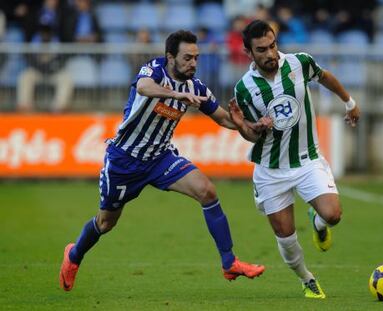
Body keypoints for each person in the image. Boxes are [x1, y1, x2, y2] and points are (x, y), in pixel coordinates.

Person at [59, 30, 267, 291]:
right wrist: (178, 96)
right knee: (106, 223)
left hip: (160, 159)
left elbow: (223, 118)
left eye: (196, 58)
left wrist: (247, 124)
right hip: (125, 160)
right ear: (170, 57)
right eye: (187, 58)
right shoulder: (154, 70)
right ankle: (74, 256)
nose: (193, 63)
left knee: (207, 191)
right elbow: (144, 88)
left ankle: (229, 263)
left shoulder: (196, 87)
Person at [228, 20, 360, 299]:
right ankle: (307, 279)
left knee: (333, 215)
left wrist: (349, 102)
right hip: (270, 169)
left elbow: (324, 77)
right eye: (261, 49)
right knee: (286, 236)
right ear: (249, 53)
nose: (270, 53)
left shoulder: (300, 62)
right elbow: (250, 136)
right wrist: (250, 126)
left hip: (307, 159)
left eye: (273, 45)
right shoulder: (244, 88)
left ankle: (318, 222)